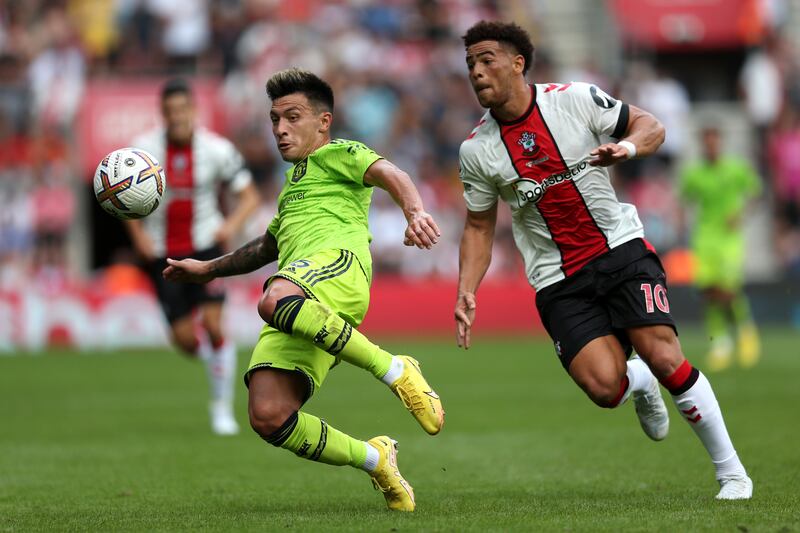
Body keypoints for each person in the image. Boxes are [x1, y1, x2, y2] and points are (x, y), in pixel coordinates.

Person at [454, 21, 752, 500]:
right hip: (557, 279)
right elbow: (478, 226)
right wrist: (466, 289)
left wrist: (628, 147)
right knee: (604, 388)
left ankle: (732, 473)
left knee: (663, 353)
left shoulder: (574, 99)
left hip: (620, 249)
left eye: (487, 59)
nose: (477, 71)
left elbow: (651, 125)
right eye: (470, 63)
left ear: (518, 63)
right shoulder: (477, 150)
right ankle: (638, 382)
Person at [162, 68, 444, 512]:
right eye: (275, 119)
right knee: (268, 415)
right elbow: (267, 246)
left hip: (338, 269)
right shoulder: (291, 186)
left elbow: (392, 173)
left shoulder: (342, 152)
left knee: (272, 298)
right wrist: (207, 270)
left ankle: (395, 370)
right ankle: (376, 460)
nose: (280, 129)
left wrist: (415, 212)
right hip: (302, 299)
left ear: (323, 121)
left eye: (292, 117)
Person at [125, 78, 261, 435]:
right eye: (171, 111)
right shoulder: (142, 151)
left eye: (183, 109)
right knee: (187, 341)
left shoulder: (217, 149)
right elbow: (121, 197)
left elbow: (249, 197)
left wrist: (230, 226)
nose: (178, 117)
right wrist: (137, 235)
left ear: (194, 110)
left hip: (205, 249)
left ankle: (221, 408)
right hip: (163, 254)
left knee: (215, 325)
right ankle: (219, 360)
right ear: (162, 114)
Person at [680, 126, 762, 371]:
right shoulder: (694, 173)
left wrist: (741, 215)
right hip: (704, 238)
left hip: (729, 238)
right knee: (709, 292)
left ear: (721, 142)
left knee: (728, 289)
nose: (711, 146)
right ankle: (721, 343)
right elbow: (683, 201)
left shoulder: (736, 168)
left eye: (714, 141)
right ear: (702, 144)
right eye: (707, 141)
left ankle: (746, 331)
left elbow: (756, 193)